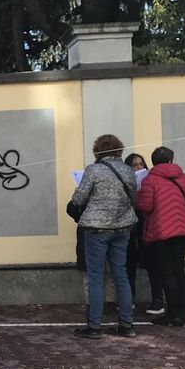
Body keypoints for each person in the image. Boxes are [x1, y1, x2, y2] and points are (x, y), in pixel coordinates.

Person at [68, 134, 138, 339]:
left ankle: (94, 326)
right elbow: (134, 198)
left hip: (97, 229)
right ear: (119, 149)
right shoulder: (128, 170)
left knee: (96, 276)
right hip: (122, 227)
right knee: (121, 275)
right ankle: (126, 324)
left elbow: (78, 198)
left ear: (97, 150)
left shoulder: (93, 170)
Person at [137, 146, 185, 327]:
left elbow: (146, 206)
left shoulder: (150, 180)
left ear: (153, 162)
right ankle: (182, 312)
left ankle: (172, 313)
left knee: (166, 272)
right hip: (183, 230)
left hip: (161, 231)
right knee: (178, 269)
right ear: (171, 160)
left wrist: (139, 196)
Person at [124, 153, 166, 317]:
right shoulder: (123, 182)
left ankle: (158, 300)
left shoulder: (151, 181)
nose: (139, 168)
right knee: (128, 265)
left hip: (147, 227)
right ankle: (129, 300)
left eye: (141, 164)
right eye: (135, 165)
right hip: (128, 228)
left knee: (152, 265)